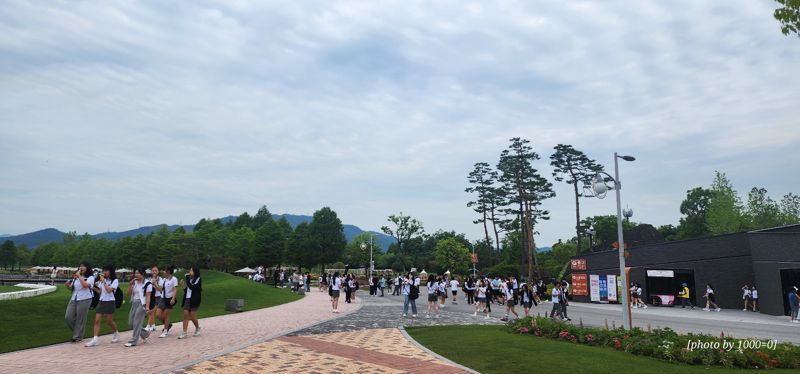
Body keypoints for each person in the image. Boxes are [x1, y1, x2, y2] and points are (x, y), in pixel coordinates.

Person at [85, 265, 120, 347]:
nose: (104, 272)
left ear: (110, 271)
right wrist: (92, 287)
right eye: (104, 270)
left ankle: (116, 333)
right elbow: (100, 291)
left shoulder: (115, 280)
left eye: (106, 270)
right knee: (97, 320)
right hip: (101, 301)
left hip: (110, 302)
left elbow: (109, 290)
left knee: (109, 321)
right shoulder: (102, 280)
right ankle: (95, 339)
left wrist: (104, 282)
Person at [65, 262, 95, 343]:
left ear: (87, 268)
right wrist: (68, 285)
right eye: (80, 266)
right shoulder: (76, 277)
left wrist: (79, 276)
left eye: (83, 266)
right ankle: (78, 332)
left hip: (85, 298)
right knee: (68, 317)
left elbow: (85, 285)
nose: (81, 267)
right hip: (74, 298)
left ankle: (77, 337)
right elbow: (72, 289)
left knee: (80, 319)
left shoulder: (91, 277)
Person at [125, 268, 153, 347]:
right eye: (135, 273)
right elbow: (128, 294)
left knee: (137, 322)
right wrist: (130, 285)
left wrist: (147, 307)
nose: (136, 275)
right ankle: (145, 333)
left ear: (142, 274)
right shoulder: (135, 283)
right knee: (131, 323)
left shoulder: (148, 284)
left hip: (142, 303)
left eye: (138, 273)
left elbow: (148, 296)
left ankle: (133, 341)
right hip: (134, 302)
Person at [178, 266, 202, 339]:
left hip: (194, 299)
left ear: (195, 271)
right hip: (187, 299)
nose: (189, 272)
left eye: (191, 270)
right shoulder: (189, 279)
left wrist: (187, 278)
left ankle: (197, 328)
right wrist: (183, 285)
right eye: (190, 270)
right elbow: (187, 290)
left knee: (192, 316)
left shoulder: (198, 279)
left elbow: (193, 288)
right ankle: (184, 332)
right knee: (185, 315)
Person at [158, 266, 179, 338]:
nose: (163, 272)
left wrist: (173, 299)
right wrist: (154, 284)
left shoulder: (174, 279)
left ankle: (165, 330)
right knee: (158, 315)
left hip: (170, 299)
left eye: (164, 270)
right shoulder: (163, 280)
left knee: (166, 315)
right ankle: (168, 324)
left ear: (168, 272)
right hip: (163, 298)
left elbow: (175, 290)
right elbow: (160, 290)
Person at [145, 265, 162, 333]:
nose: (154, 272)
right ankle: (153, 325)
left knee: (151, 311)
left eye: (156, 270)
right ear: (151, 272)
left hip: (158, 297)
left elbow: (160, 289)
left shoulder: (160, 279)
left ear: (158, 272)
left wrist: (155, 283)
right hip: (151, 297)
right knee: (151, 312)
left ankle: (148, 326)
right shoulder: (149, 279)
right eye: (153, 270)